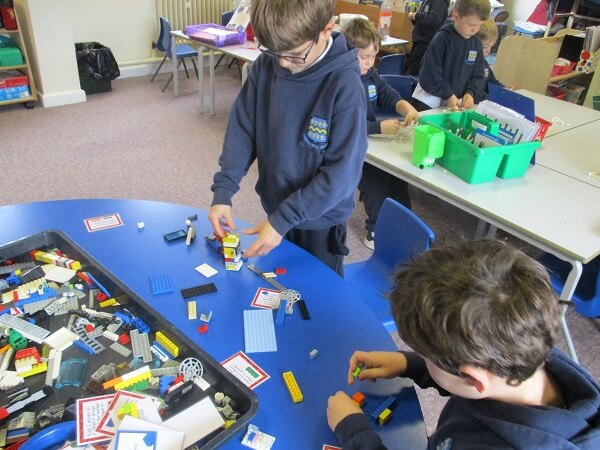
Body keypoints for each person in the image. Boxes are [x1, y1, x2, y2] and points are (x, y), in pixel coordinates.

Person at [327, 239, 600, 449]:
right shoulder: (524, 348)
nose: (424, 358)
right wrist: (410, 363)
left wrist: (355, 432)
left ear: (472, 376)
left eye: (429, 356)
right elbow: (471, 382)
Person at [208, 0, 367, 276]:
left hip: (321, 221)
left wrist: (283, 219)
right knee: (279, 286)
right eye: (274, 51)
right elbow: (243, 130)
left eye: (293, 54)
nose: (281, 62)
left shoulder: (345, 86)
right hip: (277, 208)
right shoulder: (268, 64)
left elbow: (341, 176)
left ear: (326, 29)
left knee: (318, 299)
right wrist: (224, 190)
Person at [342, 18, 419, 250]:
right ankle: (374, 230)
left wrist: (405, 107)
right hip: (351, 150)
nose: (368, 62)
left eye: (372, 56)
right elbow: (344, 125)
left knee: (397, 177)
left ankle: (403, 224)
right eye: (363, 57)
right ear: (347, 54)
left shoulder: (370, 75)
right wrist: (378, 128)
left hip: (371, 143)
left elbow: (387, 93)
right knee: (376, 182)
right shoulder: (342, 81)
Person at [412, 0, 490, 110]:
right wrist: (448, 95)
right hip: (429, 99)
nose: (475, 29)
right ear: (456, 15)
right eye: (471, 24)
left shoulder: (476, 44)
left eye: (479, 25)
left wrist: (470, 92)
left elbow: (477, 75)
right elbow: (429, 75)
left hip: (454, 101)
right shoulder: (442, 39)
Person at [405, 0, 450, 76]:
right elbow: (424, 19)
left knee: (416, 75)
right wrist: (414, 18)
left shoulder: (439, 2)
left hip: (426, 44)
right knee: (412, 71)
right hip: (419, 42)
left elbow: (435, 20)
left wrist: (417, 16)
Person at [475, 17, 505, 103]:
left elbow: (492, 83)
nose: (489, 51)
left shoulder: (484, 64)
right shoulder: (467, 66)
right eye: (485, 47)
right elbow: (473, 93)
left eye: (491, 46)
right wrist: (491, 98)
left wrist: (505, 91)